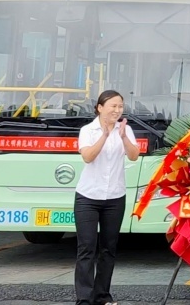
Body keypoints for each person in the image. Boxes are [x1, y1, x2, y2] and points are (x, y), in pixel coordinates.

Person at [74, 90, 140, 305]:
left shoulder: (126, 129)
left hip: (115, 197)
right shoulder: (88, 130)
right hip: (88, 197)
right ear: (100, 108)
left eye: (120, 106)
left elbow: (134, 156)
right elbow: (88, 157)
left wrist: (122, 136)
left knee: (108, 249)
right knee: (87, 248)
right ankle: (84, 299)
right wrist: (104, 135)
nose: (117, 110)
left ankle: (102, 296)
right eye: (113, 106)